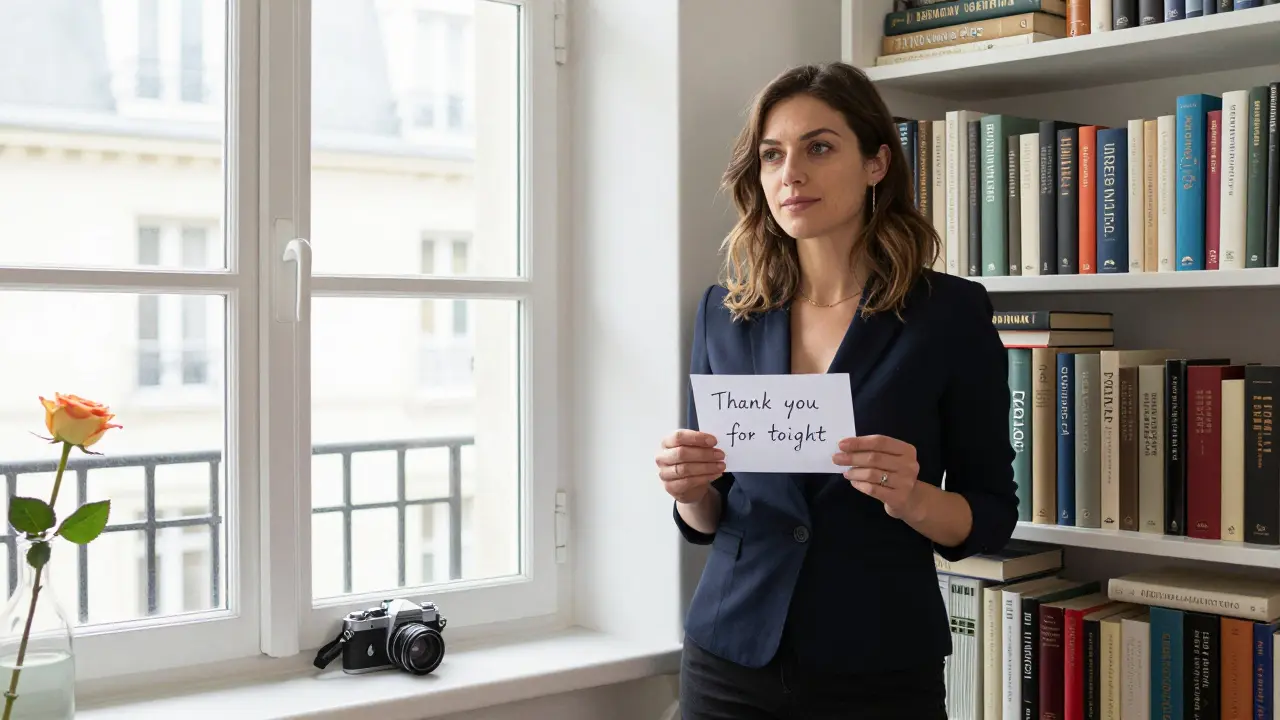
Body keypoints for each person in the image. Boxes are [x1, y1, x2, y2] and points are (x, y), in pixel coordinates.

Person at [655, 62, 1018, 719]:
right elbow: (711, 517)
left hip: (878, 667)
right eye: (772, 155)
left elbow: (991, 514)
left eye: (818, 147)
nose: (790, 173)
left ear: (876, 163)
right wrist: (690, 493)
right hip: (727, 662)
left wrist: (913, 499)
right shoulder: (722, 313)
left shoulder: (949, 314)